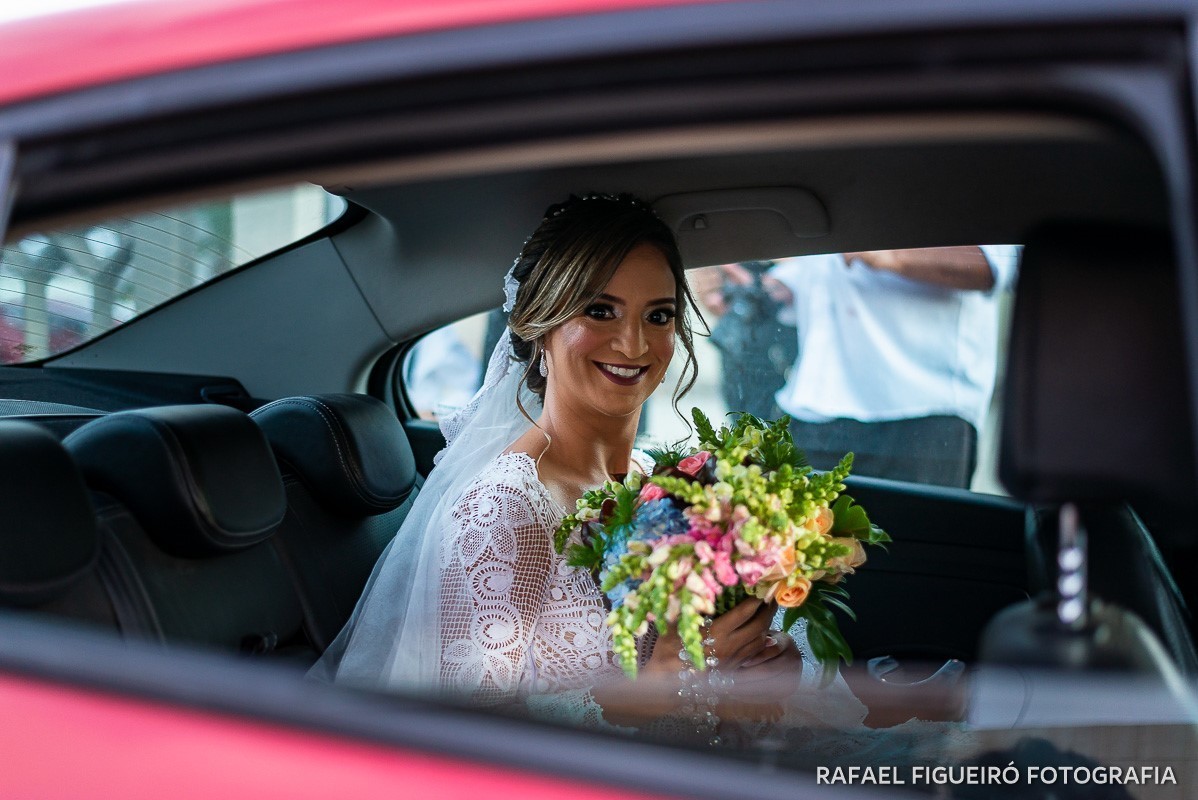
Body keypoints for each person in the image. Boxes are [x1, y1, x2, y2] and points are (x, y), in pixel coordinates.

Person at [311, 196, 967, 757]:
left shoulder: (669, 480)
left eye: (657, 315)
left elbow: (705, 691)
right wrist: (665, 680)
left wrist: (760, 675)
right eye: (599, 311)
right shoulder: (499, 510)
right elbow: (470, 747)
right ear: (536, 326)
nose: (634, 344)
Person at [767, 247, 1020, 488]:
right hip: (810, 407)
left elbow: (1005, 258)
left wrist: (894, 252)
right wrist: (779, 283)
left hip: (920, 413)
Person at [690, 261, 797, 421]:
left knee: (774, 413)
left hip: (776, 338)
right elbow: (711, 296)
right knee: (739, 411)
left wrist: (744, 279)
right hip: (738, 342)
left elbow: (789, 285)